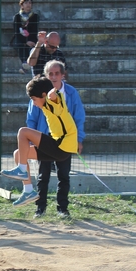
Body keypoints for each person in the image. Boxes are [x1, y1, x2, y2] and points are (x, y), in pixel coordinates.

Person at [0, 75, 80, 208]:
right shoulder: (45, 107)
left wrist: (51, 92)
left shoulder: (53, 101)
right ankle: (28, 191)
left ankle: (21, 170)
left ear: (43, 95)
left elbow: (52, 95)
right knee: (19, 154)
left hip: (62, 146)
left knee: (23, 132)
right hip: (58, 148)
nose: (34, 103)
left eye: (34, 99)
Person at [27, 60, 86, 218]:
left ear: (63, 75)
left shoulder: (71, 93)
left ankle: (63, 209)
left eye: (56, 73)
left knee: (63, 176)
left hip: (64, 142)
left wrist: (78, 139)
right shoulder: (39, 92)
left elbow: (78, 117)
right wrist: (33, 138)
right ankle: (40, 208)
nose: (53, 76)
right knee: (43, 176)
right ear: (46, 75)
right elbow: (31, 118)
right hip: (44, 140)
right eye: (50, 74)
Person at [12, 0, 40, 74]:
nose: (28, 5)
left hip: (32, 38)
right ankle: (26, 63)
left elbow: (34, 30)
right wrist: (26, 41)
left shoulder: (35, 16)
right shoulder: (17, 17)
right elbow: (16, 31)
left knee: (33, 46)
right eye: (26, 3)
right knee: (20, 44)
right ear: (22, 5)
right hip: (20, 38)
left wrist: (29, 40)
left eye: (30, 3)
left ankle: (25, 66)